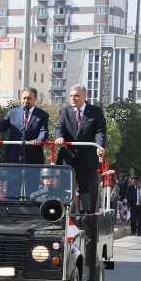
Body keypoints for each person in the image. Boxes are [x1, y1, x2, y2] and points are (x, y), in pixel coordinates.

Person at [55, 84, 106, 213]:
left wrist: (100, 146)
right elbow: (60, 127)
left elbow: (100, 131)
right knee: (64, 190)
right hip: (68, 159)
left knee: (87, 193)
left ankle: (87, 220)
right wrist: (59, 137)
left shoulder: (95, 112)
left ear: (84, 96)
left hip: (87, 160)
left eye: (76, 96)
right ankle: (65, 219)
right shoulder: (65, 111)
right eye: (71, 96)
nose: (73, 98)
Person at [0, 87, 49, 164]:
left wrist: (39, 140)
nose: (26, 101)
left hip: (33, 155)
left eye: (29, 98)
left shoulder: (42, 115)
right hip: (14, 156)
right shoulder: (13, 112)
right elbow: (1, 128)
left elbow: (44, 131)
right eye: (24, 98)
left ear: (35, 99)